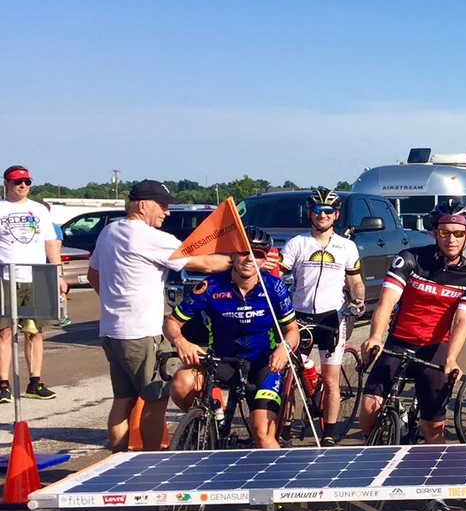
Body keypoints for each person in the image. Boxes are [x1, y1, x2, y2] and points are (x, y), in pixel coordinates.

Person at [88, 179, 229, 451]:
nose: (168, 212)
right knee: (156, 398)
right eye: (163, 206)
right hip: (142, 332)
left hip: (111, 329)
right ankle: (152, 461)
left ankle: (118, 458)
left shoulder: (110, 230)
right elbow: (208, 264)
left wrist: (113, 302)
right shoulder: (150, 237)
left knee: (123, 400)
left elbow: (93, 274)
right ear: (143, 205)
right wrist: (240, 258)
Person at [359, 198, 466, 445]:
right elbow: (386, 303)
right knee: (369, 411)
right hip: (398, 343)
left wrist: (451, 359)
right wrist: (375, 336)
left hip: (435, 349)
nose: (451, 239)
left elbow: (461, 322)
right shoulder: (410, 258)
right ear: (434, 233)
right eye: (444, 232)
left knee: (434, 431)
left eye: (458, 233)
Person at [165, 229, 300, 449]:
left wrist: (284, 349)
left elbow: (292, 330)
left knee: (262, 436)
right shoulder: (212, 286)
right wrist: (180, 341)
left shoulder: (274, 287)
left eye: (256, 254)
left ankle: (279, 480)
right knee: (181, 383)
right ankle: (212, 419)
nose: (249, 259)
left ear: (265, 258)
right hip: (222, 362)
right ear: (233, 256)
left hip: (263, 365)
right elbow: (172, 322)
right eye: (243, 252)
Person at [279, 187, 365, 446]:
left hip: (331, 317)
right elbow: (279, 274)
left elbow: (356, 281)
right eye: (318, 210)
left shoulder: (347, 247)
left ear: (336, 215)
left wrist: (358, 298)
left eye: (328, 211)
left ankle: (328, 432)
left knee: (331, 379)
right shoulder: (297, 243)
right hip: (299, 316)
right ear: (310, 213)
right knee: (289, 376)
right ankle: (285, 427)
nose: (323, 215)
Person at [0, 165, 66, 402]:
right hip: (6, 276)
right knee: (5, 332)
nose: (23, 186)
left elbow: (51, 244)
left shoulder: (38, 210)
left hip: (37, 276)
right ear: (6, 183)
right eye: (18, 182)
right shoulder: (1, 208)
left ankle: (35, 382)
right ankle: (3, 384)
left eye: (27, 182)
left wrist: (58, 275)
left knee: (35, 332)